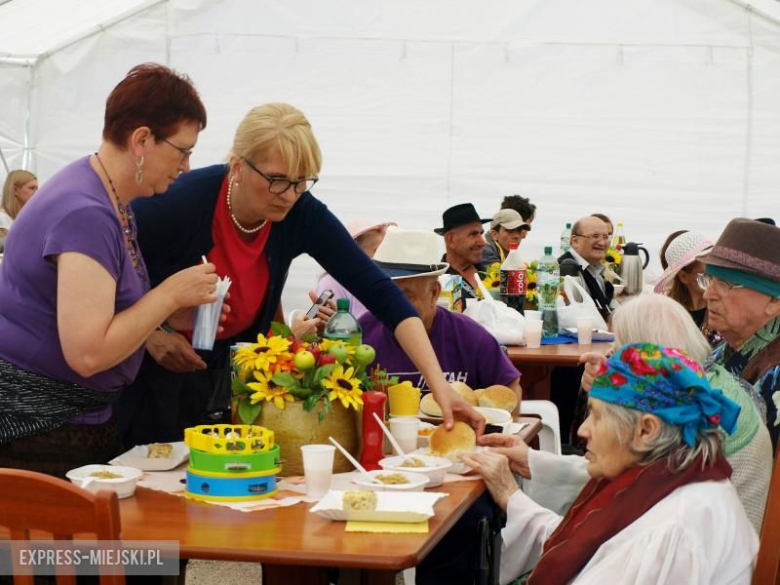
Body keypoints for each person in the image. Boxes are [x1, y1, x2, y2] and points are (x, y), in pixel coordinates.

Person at [119, 103, 483, 447]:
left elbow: (382, 295)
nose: (289, 195)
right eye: (276, 180)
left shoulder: (300, 212)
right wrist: (152, 334)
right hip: (153, 379)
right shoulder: (178, 201)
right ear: (238, 166)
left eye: (301, 181)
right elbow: (110, 273)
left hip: (237, 380)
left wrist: (440, 388)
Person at [0, 63, 219, 477]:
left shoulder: (105, 196)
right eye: (183, 150)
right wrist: (167, 295)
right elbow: (88, 352)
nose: (187, 167)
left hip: (66, 424)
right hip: (39, 431)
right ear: (142, 140)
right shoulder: (87, 213)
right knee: (60, 546)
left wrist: (173, 314)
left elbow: (101, 312)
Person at [465, 343, 757, 585]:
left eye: (597, 416)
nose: (582, 430)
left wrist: (511, 494)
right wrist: (510, 494)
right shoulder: (677, 480)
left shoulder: (672, 529)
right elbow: (588, 548)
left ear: (646, 430)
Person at [517, 294, 772, 533]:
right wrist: (532, 462)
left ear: (648, 355)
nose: (612, 357)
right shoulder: (704, 384)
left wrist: (513, 498)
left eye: (619, 349)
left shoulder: (681, 412)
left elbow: (621, 494)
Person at [361, 227, 521, 405]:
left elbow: (510, 389)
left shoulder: (470, 337)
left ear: (434, 293)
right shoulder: (363, 333)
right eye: (385, 294)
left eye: (405, 297)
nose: (392, 306)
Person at [700, 217, 780, 448]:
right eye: (709, 279)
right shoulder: (722, 351)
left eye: (725, 284)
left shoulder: (774, 374)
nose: (708, 295)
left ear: (774, 301)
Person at [291, 218, 395, 339]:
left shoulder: (382, 283)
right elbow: (316, 329)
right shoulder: (331, 283)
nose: (384, 257)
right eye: (377, 251)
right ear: (353, 254)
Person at [654, 230, 720, 343]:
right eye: (706, 275)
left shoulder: (722, 309)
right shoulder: (666, 316)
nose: (713, 279)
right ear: (683, 277)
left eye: (716, 270)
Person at [558, 215, 615, 316]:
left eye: (605, 237)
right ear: (575, 241)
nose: (602, 243)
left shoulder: (596, 269)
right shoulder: (562, 270)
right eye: (595, 236)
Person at [435, 203, 490, 299]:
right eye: (473, 234)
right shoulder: (435, 281)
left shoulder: (491, 275)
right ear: (451, 240)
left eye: (481, 233)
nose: (482, 242)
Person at [0, 170, 38, 247]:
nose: (36, 192)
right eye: (32, 188)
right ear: (15, 190)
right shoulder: (2, 218)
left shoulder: (28, 217)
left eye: (36, 188)